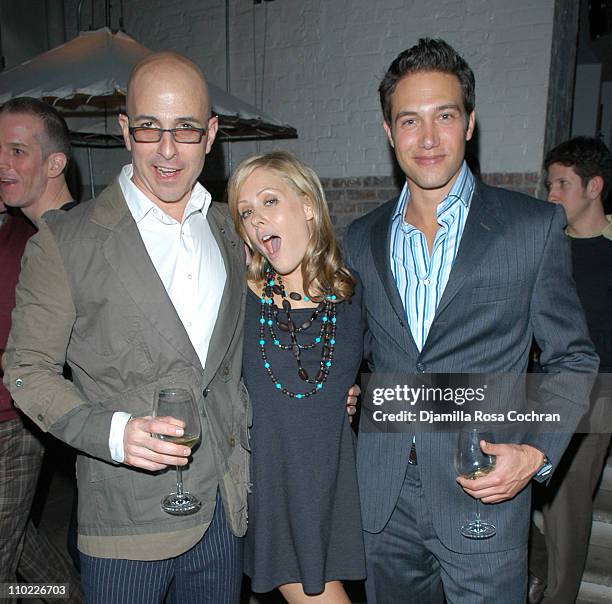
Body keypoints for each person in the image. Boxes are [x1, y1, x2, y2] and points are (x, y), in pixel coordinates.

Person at [345, 38, 598, 603]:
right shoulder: (359, 240)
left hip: (483, 486)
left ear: (470, 123)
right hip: (382, 499)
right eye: (409, 120)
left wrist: (536, 453)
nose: (428, 138)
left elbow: (574, 357)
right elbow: (353, 351)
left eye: (445, 116)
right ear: (389, 132)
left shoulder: (532, 228)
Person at [4, 53, 249, 604]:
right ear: (125, 130)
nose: (167, 149)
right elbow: (25, 370)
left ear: (210, 135)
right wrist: (114, 434)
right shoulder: (64, 242)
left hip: (226, 514)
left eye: (185, 128)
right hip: (123, 525)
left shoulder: (231, 229)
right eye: (149, 128)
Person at [227, 151, 366, 602]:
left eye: (269, 201)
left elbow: (390, 364)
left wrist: (358, 395)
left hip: (335, 491)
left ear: (308, 204)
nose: (256, 220)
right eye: (246, 212)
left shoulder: (352, 295)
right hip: (273, 493)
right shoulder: (235, 298)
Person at [0, 97, 82, 603]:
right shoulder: (15, 227)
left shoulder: (77, 235)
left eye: (16, 151)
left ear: (54, 163)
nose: (2, 163)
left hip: (15, 421)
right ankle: (72, 596)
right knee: (20, 545)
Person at [528, 136, 612, 604]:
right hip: (539, 388)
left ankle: (558, 596)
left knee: (566, 509)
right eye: (549, 183)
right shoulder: (547, 245)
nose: (552, 194)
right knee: (508, 491)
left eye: (562, 184)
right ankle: (537, 574)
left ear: (594, 186)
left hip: (599, 396)